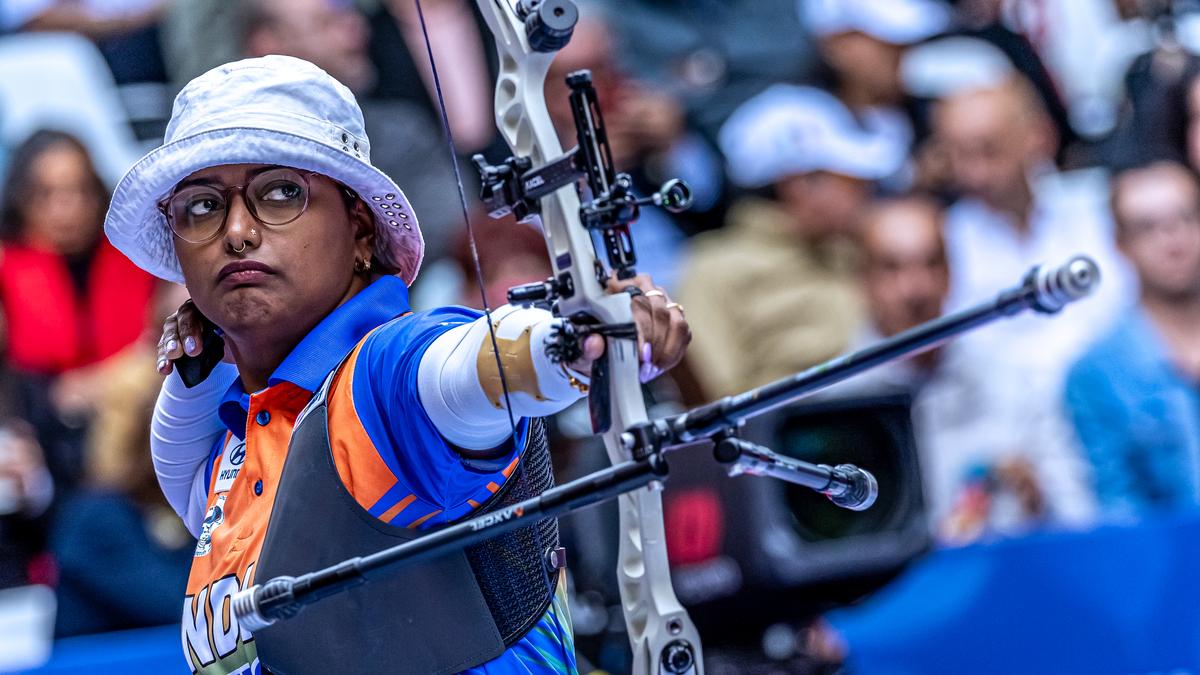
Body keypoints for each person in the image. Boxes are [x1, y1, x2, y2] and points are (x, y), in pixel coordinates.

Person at [103, 55, 689, 674]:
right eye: (200, 206)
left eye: (281, 193)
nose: (238, 232)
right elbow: (177, 465)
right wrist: (200, 360)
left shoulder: (384, 378)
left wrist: (575, 340)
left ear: (359, 228)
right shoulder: (234, 450)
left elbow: (470, 367)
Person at [679, 84, 903, 399]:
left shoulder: (857, 251)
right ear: (799, 185)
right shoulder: (713, 268)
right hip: (789, 438)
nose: (865, 187)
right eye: (848, 175)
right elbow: (713, 400)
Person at [1066, 160, 1200, 520]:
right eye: (1148, 227)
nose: (1173, 240)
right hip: (1176, 565)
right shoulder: (1095, 373)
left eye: (1186, 218)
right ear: (1120, 243)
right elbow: (1120, 511)